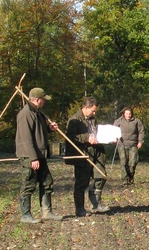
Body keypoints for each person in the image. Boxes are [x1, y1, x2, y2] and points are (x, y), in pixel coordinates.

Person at [14, 87, 62, 223]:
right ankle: (26, 215)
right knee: (28, 184)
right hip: (29, 156)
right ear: (36, 100)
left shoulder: (38, 113)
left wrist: (49, 129)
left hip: (40, 154)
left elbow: (38, 132)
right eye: (43, 100)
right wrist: (33, 158)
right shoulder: (25, 114)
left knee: (47, 182)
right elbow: (26, 138)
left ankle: (47, 212)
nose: (44, 102)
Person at [65, 97, 109, 217]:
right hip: (82, 154)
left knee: (101, 176)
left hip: (97, 152)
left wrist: (108, 139)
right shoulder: (74, 120)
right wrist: (86, 138)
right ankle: (80, 209)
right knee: (82, 183)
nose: (94, 114)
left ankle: (95, 204)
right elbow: (71, 137)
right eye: (93, 111)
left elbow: (97, 133)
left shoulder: (93, 120)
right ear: (86, 107)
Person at [113, 107, 145, 186]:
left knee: (133, 163)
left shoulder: (137, 121)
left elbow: (141, 131)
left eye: (130, 114)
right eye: (127, 114)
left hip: (133, 144)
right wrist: (114, 138)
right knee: (123, 162)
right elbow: (113, 130)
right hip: (122, 144)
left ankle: (131, 177)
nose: (128, 115)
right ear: (123, 114)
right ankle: (124, 180)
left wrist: (140, 141)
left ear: (132, 114)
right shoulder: (119, 121)